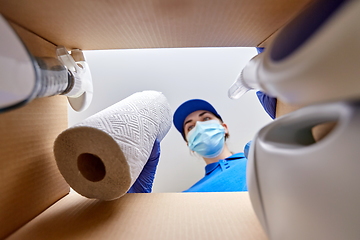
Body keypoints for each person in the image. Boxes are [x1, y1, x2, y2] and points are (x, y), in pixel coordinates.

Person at [173, 99, 248, 192]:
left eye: (206, 118)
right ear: (189, 144)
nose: (199, 126)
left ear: (224, 128)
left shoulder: (257, 160)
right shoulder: (190, 195)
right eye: (190, 127)